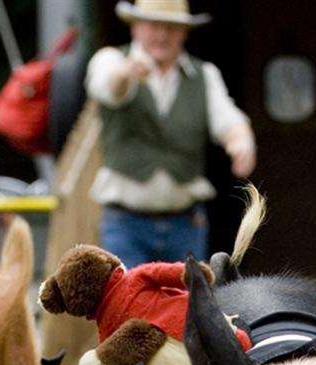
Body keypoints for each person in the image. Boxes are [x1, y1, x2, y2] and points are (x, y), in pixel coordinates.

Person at [86, 0, 255, 266]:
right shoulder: (111, 60)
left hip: (185, 224)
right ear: (136, 28)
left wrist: (241, 142)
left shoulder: (204, 75)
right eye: (154, 26)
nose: (162, 35)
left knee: (186, 304)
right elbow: (108, 89)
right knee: (128, 305)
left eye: (172, 27)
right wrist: (127, 73)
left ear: (184, 32)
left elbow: (228, 119)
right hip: (125, 225)